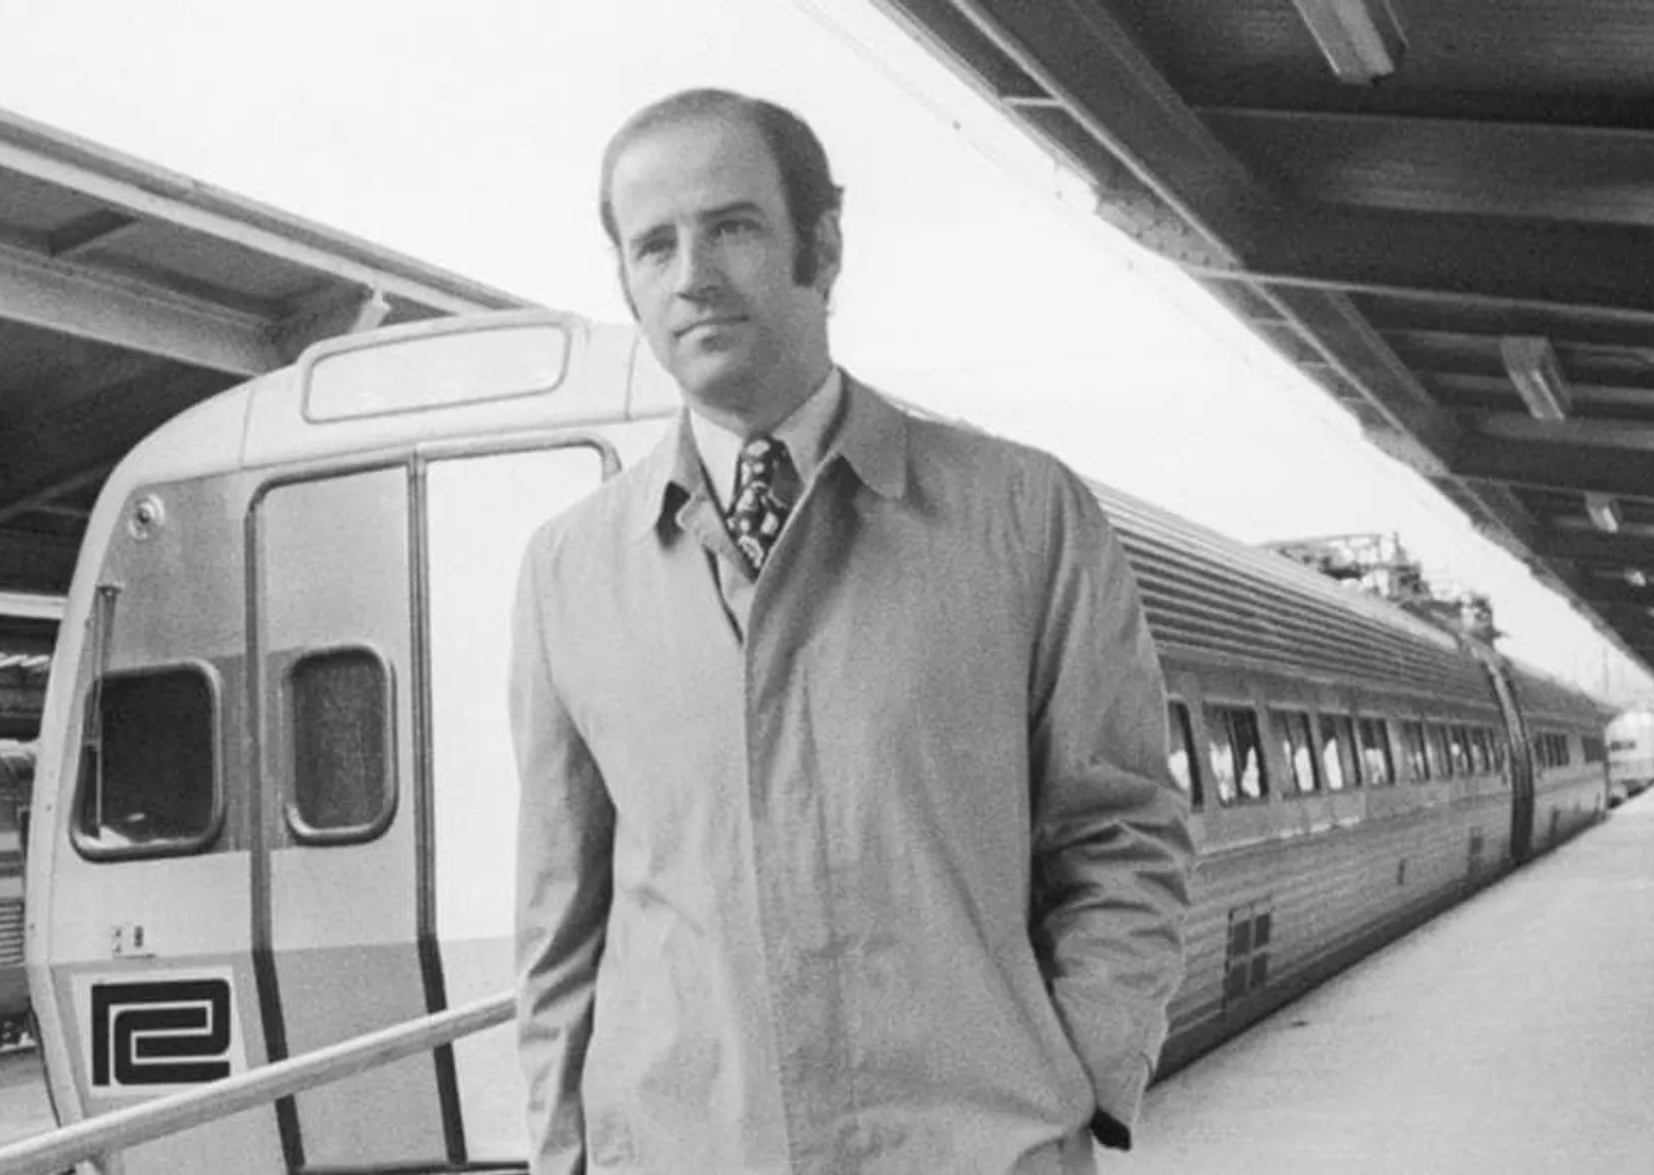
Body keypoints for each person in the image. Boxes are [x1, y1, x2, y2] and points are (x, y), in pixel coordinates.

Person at [509, 87, 1195, 1175]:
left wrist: (1074, 1078)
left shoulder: (1022, 516)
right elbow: (562, 919)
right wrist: (563, 1151)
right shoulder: (567, 570)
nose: (692, 274)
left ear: (821, 246)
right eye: (653, 245)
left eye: (732, 227)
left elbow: (1120, 828)